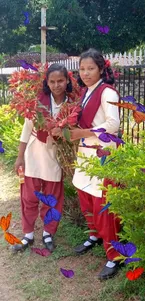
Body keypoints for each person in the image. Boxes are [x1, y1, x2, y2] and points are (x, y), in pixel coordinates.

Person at [71, 48, 121, 280]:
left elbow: (113, 123)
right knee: (86, 196)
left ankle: (113, 255)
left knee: (103, 205)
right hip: (85, 152)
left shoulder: (107, 91)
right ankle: (94, 235)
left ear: (101, 69)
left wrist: (85, 131)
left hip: (101, 154)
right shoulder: (87, 92)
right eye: (82, 69)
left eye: (91, 68)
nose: (86, 72)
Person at [13, 63, 74, 253]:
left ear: (67, 81)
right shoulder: (37, 101)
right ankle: (28, 235)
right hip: (33, 155)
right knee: (29, 197)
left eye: (61, 81)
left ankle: (48, 232)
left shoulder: (72, 104)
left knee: (52, 198)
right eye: (52, 81)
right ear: (46, 83)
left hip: (55, 156)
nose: (57, 85)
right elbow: (27, 130)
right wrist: (20, 156)